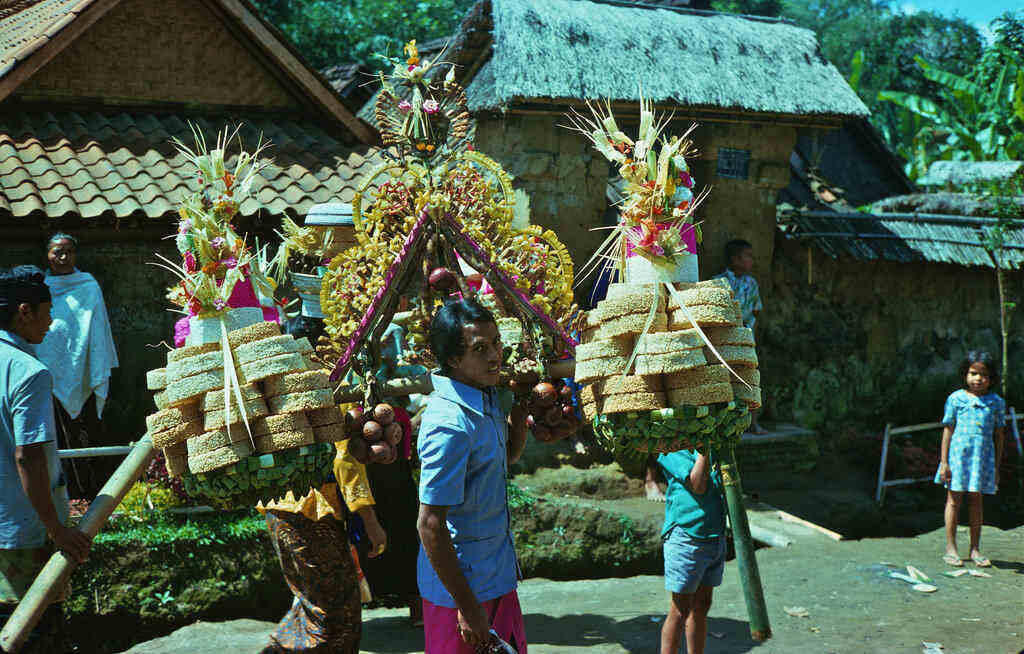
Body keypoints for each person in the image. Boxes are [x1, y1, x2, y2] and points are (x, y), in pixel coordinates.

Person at [416, 299, 529, 653]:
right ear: (452, 360)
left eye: (496, 343)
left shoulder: (487, 397)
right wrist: (466, 606)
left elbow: (506, 456)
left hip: (496, 578)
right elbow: (430, 524)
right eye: (480, 349)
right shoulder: (449, 425)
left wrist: (522, 402)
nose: (495, 355)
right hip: (461, 595)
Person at [0, 266, 92, 652]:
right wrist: (57, 529)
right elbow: (29, 457)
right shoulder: (29, 372)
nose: (52, 322)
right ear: (25, 312)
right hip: (27, 532)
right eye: (47, 311)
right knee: (39, 635)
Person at [258, 438, 387, 653]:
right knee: (338, 611)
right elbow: (344, 458)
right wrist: (370, 521)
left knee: (312, 603)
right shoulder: (341, 406)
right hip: (312, 509)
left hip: (278, 504)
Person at [36, 233, 119, 495]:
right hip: (46, 373)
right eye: (57, 252)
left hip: (83, 370)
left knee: (84, 432)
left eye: (69, 251)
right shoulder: (40, 288)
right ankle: (57, 494)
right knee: (52, 434)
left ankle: (88, 492)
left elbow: (96, 329)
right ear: (47, 255)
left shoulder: (88, 286)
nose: (63, 257)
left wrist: (89, 363)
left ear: (76, 255)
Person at [935, 350, 1005, 568]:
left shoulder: (996, 402)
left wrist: (996, 467)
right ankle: (951, 548)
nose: (978, 378)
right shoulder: (956, 399)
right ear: (965, 374)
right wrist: (944, 462)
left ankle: (975, 549)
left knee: (976, 502)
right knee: (953, 501)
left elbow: (999, 436)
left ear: (991, 378)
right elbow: (948, 430)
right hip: (957, 459)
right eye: (973, 373)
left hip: (982, 462)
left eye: (983, 374)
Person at [657, 448, 726, 654]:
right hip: (686, 538)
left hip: (714, 534)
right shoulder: (671, 449)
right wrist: (705, 450)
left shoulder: (718, 446)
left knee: (702, 605)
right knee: (680, 609)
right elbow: (698, 485)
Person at [714, 239, 766, 434]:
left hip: (746, 338)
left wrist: (752, 338)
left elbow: (755, 311)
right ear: (735, 259)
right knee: (725, 379)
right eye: (748, 256)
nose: (751, 261)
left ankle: (752, 423)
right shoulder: (719, 282)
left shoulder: (751, 283)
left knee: (750, 380)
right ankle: (725, 424)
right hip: (725, 339)